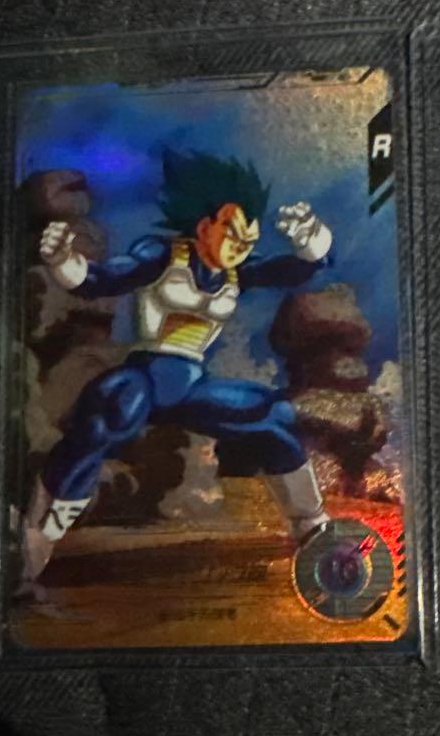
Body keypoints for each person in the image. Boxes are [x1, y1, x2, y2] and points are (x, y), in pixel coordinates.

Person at [21, 149, 333, 594]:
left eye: (249, 238)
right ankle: (39, 537)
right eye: (233, 232)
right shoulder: (163, 256)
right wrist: (63, 262)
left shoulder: (235, 272)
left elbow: (290, 270)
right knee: (113, 406)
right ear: (203, 225)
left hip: (190, 387)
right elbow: (105, 279)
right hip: (145, 376)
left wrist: (312, 244)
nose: (242, 246)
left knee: (271, 415)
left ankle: (312, 524)